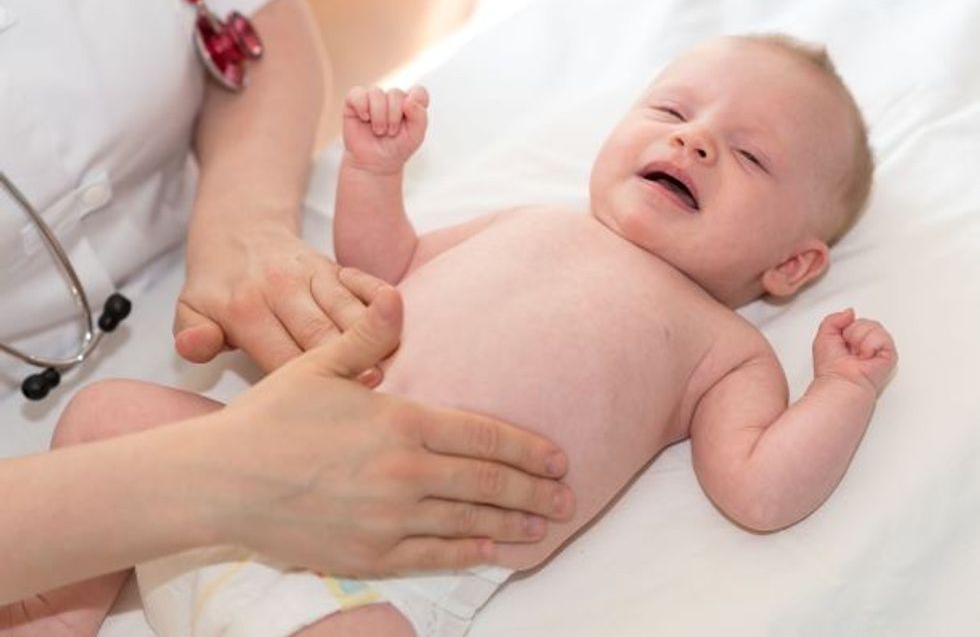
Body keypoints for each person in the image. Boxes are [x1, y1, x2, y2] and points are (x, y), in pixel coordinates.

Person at [23, 32, 898, 637]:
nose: (697, 140)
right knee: (105, 418)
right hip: (215, 476)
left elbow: (758, 491)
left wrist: (841, 393)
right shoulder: (530, 221)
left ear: (792, 266)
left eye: (749, 156)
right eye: (672, 111)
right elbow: (387, 271)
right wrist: (376, 175)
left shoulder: (724, 348)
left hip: (383, 569)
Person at [0, 0, 574, 630]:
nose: (690, 142)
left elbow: (257, 18)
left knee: (106, 413)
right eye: (672, 112)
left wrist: (242, 223)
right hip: (40, 474)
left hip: (207, 273)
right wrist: (219, 479)